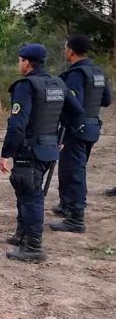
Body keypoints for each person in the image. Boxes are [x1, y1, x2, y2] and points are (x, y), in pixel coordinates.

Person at [0, 44, 84, 261]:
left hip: (29, 149)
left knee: (31, 196)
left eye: (20, 60)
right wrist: (60, 139)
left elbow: (17, 124)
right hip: (48, 148)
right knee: (25, 189)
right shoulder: (58, 83)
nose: (19, 64)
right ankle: (22, 235)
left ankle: (33, 246)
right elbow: (76, 113)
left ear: (27, 62)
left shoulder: (26, 86)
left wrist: (5, 153)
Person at [50, 35, 112, 232]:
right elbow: (106, 100)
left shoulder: (76, 74)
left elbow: (73, 104)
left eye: (66, 47)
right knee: (70, 168)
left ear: (72, 51)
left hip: (75, 129)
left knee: (74, 171)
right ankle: (66, 205)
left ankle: (75, 218)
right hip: (92, 126)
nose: (64, 50)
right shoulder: (98, 72)